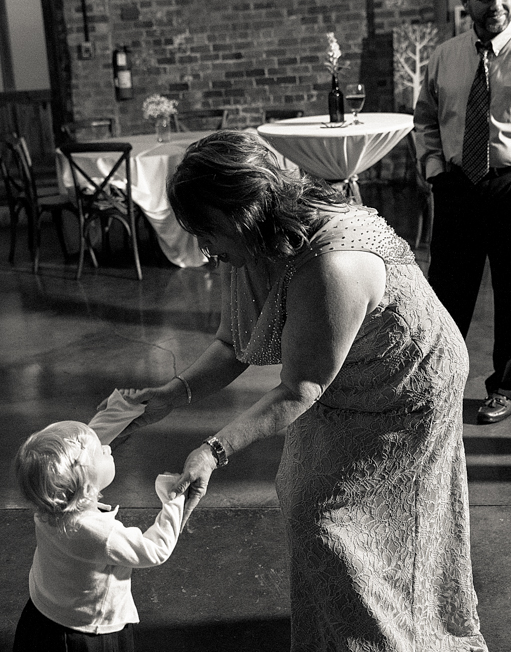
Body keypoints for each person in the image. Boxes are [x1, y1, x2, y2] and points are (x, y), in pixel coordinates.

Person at [119, 130, 488, 651]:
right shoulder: (251, 245)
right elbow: (232, 345)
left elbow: (301, 387)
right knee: (302, 496)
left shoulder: (329, 262)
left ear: (243, 210)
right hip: (338, 374)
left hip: (405, 384)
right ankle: (338, 634)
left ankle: (396, 635)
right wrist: (169, 395)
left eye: (207, 230)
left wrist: (212, 450)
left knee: (336, 522)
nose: (203, 248)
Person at [414, 0, 511, 424]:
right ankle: (438, 382)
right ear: (465, 1)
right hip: (457, 185)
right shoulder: (444, 56)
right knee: (447, 292)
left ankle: (506, 388)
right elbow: (425, 119)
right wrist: (434, 170)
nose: (497, 6)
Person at [12, 421, 183, 652]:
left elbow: (73, 447)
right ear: (85, 486)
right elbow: (156, 549)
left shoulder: (46, 510)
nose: (107, 448)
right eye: (99, 452)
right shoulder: (101, 534)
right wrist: (173, 499)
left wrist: (122, 409)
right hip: (87, 633)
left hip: (41, 614)